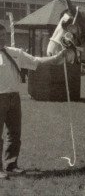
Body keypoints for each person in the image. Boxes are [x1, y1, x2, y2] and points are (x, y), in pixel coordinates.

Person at [0, 24, 74, 179]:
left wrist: (57, 57)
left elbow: (36, 62)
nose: (1, 38)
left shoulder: (15, 53)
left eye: (3, 35)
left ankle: (11, 165)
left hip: (14, 97)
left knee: (14, 133)